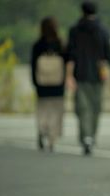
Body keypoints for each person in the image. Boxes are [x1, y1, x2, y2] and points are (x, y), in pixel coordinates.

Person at [66, 1, 110, 156]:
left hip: (80, 75)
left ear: (82, 12)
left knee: (82, 109)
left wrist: (68, 76)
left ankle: (86, 138)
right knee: (95, 108)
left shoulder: (74, 30)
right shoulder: (103, 31)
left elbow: (71, 56)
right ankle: (92, 137)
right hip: (98, 76)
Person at [31, 17, 66, 152]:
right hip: (58, 83)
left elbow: (33, 65)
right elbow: (67, 62)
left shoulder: (37, 45)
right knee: (56, 111)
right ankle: (52, 138)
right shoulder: (60, 44)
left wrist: (35, 81)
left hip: (42, 83)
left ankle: (42, 130)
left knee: (42, 109)